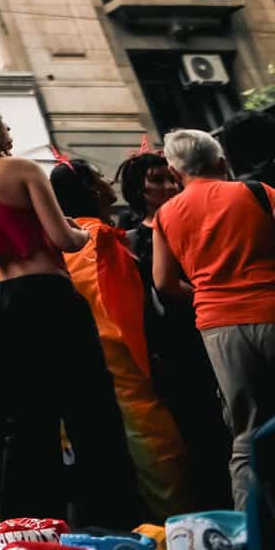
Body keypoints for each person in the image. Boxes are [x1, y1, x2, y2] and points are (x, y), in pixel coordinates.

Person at [0, 98, 140, 527]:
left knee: (26, 421)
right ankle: (111, 519)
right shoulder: (21, 169)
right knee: (89, 409)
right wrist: (82, 234)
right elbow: (63, 240)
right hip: (48, 296)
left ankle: (29, 526)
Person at [46, 157, 194, 518]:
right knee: (162, 456)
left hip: (94, 370)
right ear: (91, 189)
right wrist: (152, 360)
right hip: (125, 370)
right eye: (99, 176)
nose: (106, 180)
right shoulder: (96, 239)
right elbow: (118, 313)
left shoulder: (68, 239)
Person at [154, 126, 275, 512]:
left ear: (174, 173)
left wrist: (209, 297)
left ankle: (248, 527)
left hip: (218, 326)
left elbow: (163, 282)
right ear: (221, 161)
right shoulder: (256, 192)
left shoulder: (166, 214)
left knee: (245, 431)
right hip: (270, 308)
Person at [119, 147, 234, 510]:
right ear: (139, 190)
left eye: (170, 177)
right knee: (202, 425)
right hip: (178, 340)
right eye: (156, 181)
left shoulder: (190, 216)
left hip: (217, 323)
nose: (168, 185)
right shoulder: (134, 238)